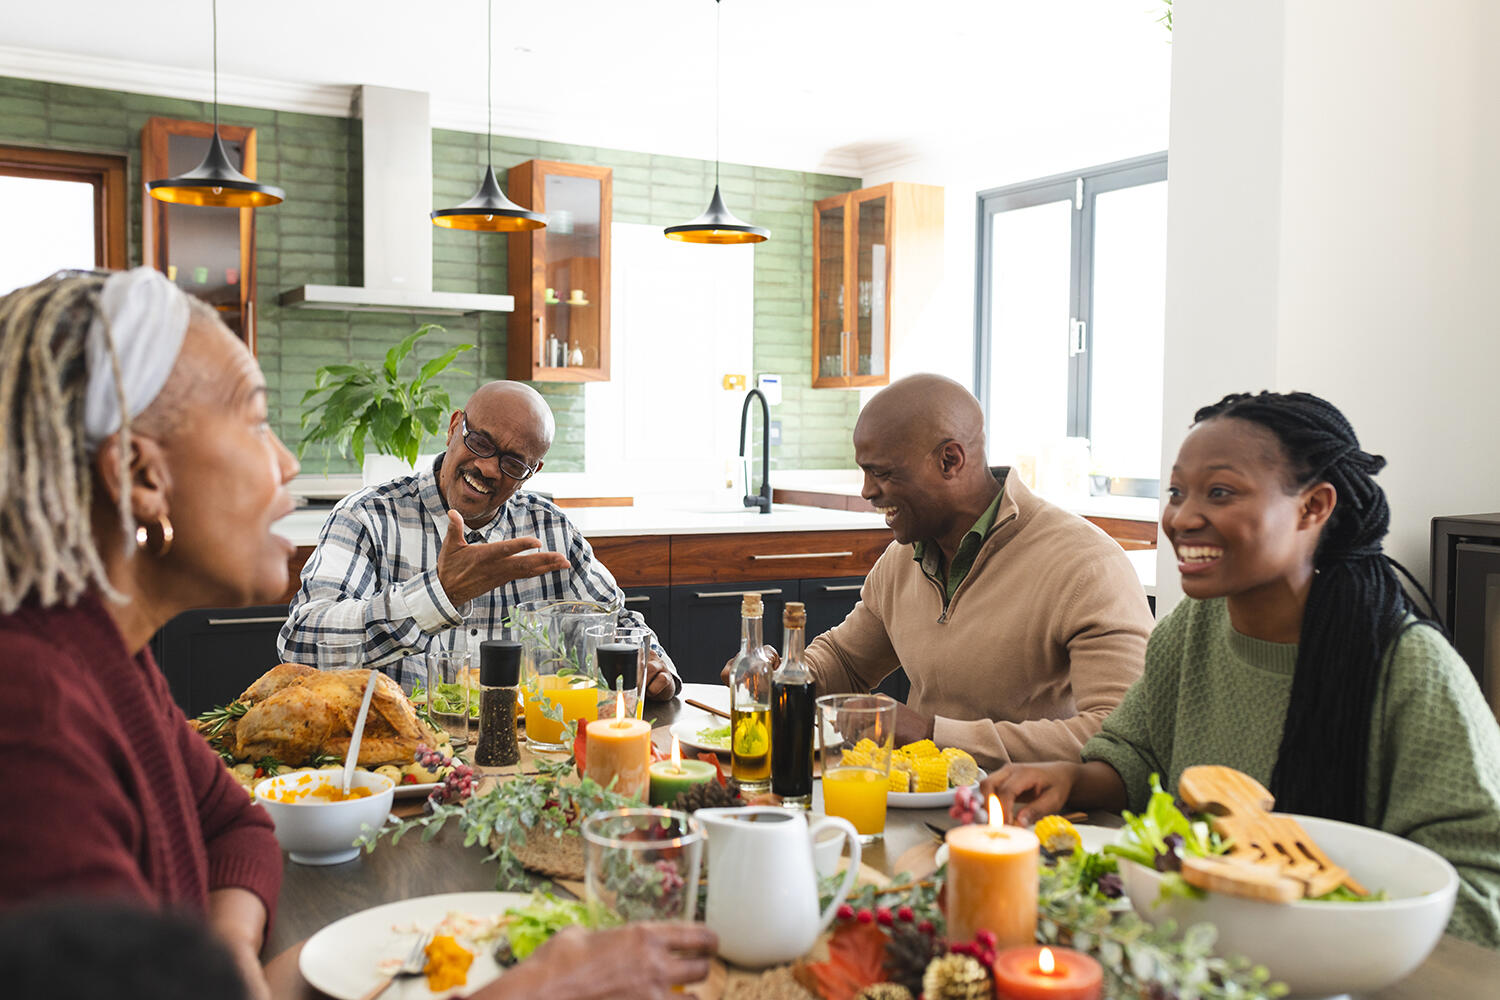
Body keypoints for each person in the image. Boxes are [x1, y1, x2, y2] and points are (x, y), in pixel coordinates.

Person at [981, 390, 1500, 948]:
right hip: (1196, 945)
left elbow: (1480, 894)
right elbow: (1139, 757)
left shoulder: (1410, 668)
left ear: (1314, 507)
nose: (1181, 517)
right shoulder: (1192, 628)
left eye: (1220, 492)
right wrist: (1070, 778)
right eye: (1176, 491)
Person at [0, 269, 295, 1000]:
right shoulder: (31, 712)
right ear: (139, 474)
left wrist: (221, 960)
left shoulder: (109, 658)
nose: (287, 463)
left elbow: (238, 825)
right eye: (258, 422)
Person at [734, 374, 1153, 768]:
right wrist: (785, 676)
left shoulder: (1087, 566)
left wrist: (934, 735)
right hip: (921, 803)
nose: (866, 492)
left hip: (1035, 826)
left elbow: (1122, 737)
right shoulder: (904, 558)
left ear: (950, 461)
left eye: (881, 473)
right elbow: (846, 660)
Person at [278, 379, 680, 697]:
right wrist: (440, 594)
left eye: (512, 463)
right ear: (455, 428)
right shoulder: (368, 516)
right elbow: (302, 644)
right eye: (481, 443)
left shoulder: (551, 530)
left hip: (528, 756)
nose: (488, 468)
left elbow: (619, 623)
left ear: (532, 472)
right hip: (400, 756)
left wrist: (654, 666)